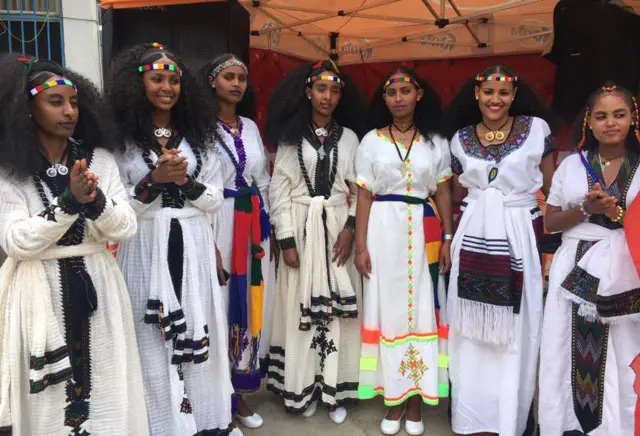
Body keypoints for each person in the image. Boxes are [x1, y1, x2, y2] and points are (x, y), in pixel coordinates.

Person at [0, 54, 148, 435]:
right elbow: (17, 240)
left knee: (107, 382)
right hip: (38, 289)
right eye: (56, 102)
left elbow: (126, 226)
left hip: (98, 281)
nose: (69, 111)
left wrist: (94, 200)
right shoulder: (8, 168)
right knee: (48, 402)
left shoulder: (99, 159)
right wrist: (68, 203)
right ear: (26, 108)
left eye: (75, 102)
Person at [108, 43, 234, 435]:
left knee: (198, 325)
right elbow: (118, 211)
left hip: (193, 242)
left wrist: (184, 181)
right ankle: (161, 424)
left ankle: (203, 420)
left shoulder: (199, 136)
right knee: (152, 335)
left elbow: (215, 200)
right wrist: (153, 181)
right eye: (157, 78)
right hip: (145, 244)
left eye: (174, 80)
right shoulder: (120, 139)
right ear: (137, 83)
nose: (167, 87)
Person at [440, 64, 560, 436]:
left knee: (518, 327)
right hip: (473, 233)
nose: (496, 100)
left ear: (514, 95)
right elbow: (457, 192)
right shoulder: (458, 139)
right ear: (476, 94)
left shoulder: (537, 130)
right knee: (469, 330)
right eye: (488, 92)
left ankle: (510, 418)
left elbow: (553, 188)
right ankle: (470, 416)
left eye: (503, 93)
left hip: (520, 231)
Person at [354, 67, 453, 436]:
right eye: (391, 92)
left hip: (423, 227)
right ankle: (393, 401)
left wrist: (447, 238)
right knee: (388, 310)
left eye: (405, 90)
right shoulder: (371, 141)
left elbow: (442, 191)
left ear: (419, 95)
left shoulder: (435, 141)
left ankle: (418, 401)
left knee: (423, 310)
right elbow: (364, 193)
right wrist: (361, 245)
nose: (398, 97)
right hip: (382, 228)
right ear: (384, 99)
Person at [265, 59, 365, 424]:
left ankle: (335, 390)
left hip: (337, 230)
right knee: (300, 311)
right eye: (321, 89)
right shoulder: (291, 135)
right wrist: (286, 239)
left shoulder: (351, 138)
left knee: (338, 312)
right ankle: (302, 387)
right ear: (308, 91)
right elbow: (279, 191)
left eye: (335, 90)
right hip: (302, 229)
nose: (327, 96)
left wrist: (350, 229)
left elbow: (359, 189)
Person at [540, 82, 640, 436]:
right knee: (568, 348)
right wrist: (585, 208)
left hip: (626, 272)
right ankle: (569, 426)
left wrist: (620, 214)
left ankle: (620, 427)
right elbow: (550, 222)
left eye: (619, 114)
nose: (610, 123)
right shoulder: (571, 166)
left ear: (633, 119)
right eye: (601, 116)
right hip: (575, 268)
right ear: (589, 122)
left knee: (622, 352)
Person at [199, 53, 275, 431]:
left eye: (241, 78)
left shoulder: (249, 126)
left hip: (252, 224)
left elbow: (261, 176)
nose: (236, 84)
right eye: (228, 76)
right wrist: (210, 244)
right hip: (218, 221)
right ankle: (217, 399)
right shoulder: (198, 128)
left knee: (248, 305)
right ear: (212, 81)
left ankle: (240, 392)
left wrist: (272, 225)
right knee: (219, 307)